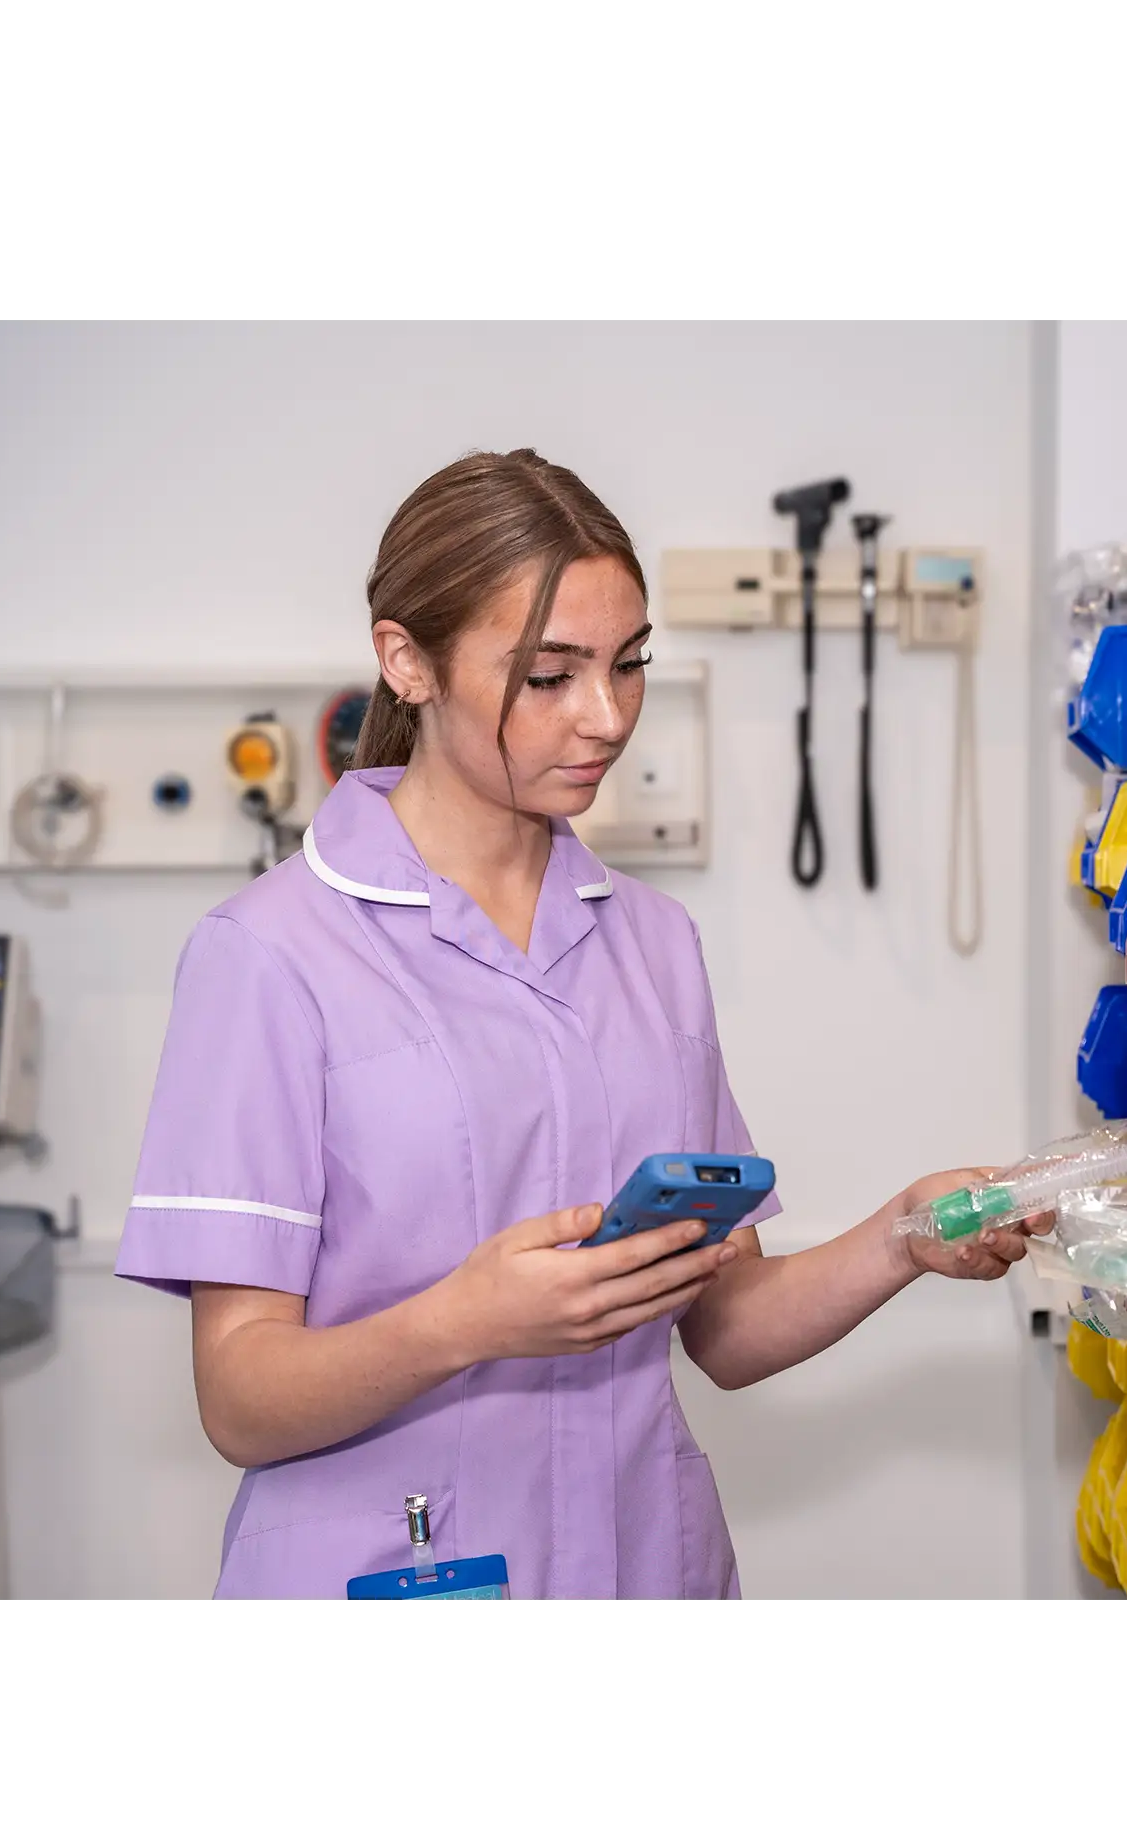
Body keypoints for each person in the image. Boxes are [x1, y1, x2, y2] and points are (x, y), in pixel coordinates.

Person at [115, 448, 1041, 1600]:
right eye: (550, 676)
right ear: (408, 662)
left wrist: (901, 1237)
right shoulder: (270, 955)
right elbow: (239, 1399)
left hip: (644, 1557)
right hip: (384, 1560)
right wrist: (459, 1322)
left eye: (628, 665)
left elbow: (723, 1326)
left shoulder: (652, 945)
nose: (606, 717)